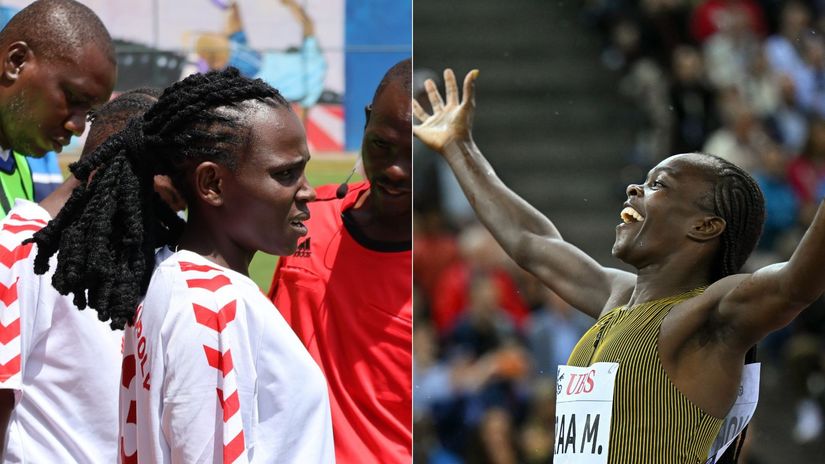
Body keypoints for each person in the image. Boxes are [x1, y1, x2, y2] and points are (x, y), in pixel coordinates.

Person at [413, 68, 825, 463]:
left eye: (658, 185)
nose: (635, 188)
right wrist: (458, 146)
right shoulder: (618, 296)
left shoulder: (709, 314)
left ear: (704, 226)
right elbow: (531, 241)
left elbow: (795, 284)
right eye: (644, 180)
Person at [28, 67, 333, 463]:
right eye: (286, 174)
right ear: (213, 185)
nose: (307, 191)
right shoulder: (217, 306)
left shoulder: (169, 277)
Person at [0, 88, 162, 462]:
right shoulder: (25, 249)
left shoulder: (139, 264)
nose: (172, 225)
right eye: (164, 205)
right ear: (105, 180)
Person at [269, 58, 411, 463]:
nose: (396, 169)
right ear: (366, 122)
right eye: (382, 145)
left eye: (414, 152)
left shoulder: (435, 271)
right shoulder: (308, 215)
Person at [0, 0, 116, 217]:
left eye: (89, 113)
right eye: (73, 98)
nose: (78, 127)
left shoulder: (20, 164)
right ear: (16, 62)